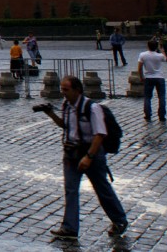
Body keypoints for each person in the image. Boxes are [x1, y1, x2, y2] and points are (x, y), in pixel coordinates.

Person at [39, 75, 128, 240]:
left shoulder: (92, 108)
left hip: (91, 153)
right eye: (62, 89)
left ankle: (120, 220)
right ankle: (69, 228)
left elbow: (100, 134)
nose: (63, 93)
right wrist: (50, 113)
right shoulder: (67, 105)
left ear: (77, 90)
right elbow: (65, 125)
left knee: (102, 189)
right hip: (71, 153)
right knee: (71, 190)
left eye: (66, 89)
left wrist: (89, 157)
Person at [138, 40, 167, 122]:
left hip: (148, 77)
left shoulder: (143, 55)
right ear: (156, 46)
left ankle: (147, 115)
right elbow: (165, 58)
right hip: (160, 77)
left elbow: (139, 67)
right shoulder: (160, 56)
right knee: (161, 97)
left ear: (148, 46)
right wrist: (162, 50)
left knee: (147, 97)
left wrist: (141, 76)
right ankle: (162, 116)